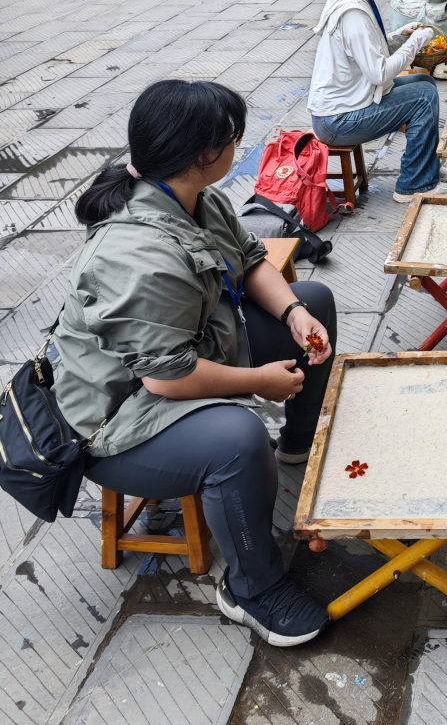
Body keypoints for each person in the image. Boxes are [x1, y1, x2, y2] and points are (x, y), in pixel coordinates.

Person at [56, 79, 336, 646]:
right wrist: (259, 382)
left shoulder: (198, 197)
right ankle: (250, 588)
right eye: (233, 138)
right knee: (236, 437)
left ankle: (297, 448)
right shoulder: (139, 253)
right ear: (204, 155)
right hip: (118, 420)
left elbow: (253, 259)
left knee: (316, 301)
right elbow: (166, 377)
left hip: (186, 351)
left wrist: (292, 315)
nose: (239, 146)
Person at [309, 0, 447, 201]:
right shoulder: (353, 11)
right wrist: (413, 44)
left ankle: (425, 166)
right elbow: (379, 73)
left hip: (342, 108)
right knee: (423, 96)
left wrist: (400, 35)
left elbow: (366, 51)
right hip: (338, 120)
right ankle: (415, 184)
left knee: (424, 82)